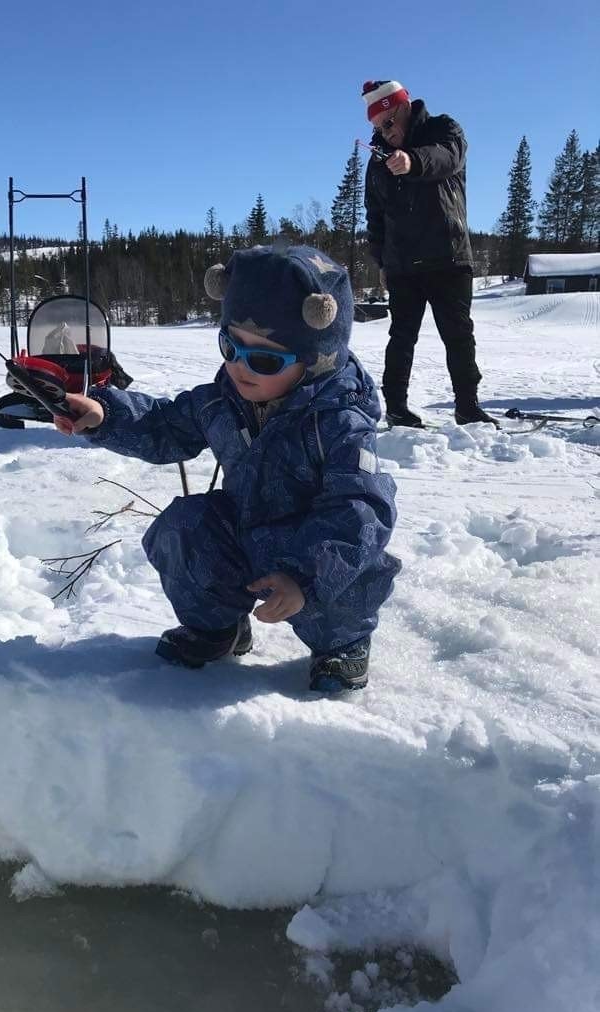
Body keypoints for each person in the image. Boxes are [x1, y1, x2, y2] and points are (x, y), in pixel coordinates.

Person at [53, 245, 400, 693]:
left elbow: (361, 509)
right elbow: (164, 426)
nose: (239, 367)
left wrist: (304, 578)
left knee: (345, 582)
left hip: (316, 553)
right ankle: (218, 629)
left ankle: (341, 646)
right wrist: (103, 416)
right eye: (229, 345)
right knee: (184, 526)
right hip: (248, 534)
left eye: (265, 359)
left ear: (314, 360)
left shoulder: (338, 423)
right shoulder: (224, 398)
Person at [362, 80, 498, 428]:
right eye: (377, 128)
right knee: (401, 337)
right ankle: (396, 407)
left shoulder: (443, 129)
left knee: (458, 334)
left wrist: (411, 161)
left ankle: (468, 405)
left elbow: (446, 158)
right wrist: (381, 259)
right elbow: (374, 215)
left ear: (404, 107)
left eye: (388, 123)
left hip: (448, 257)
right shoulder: (378, 159)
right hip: (402, 265)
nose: (385, 133)